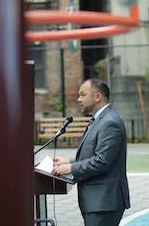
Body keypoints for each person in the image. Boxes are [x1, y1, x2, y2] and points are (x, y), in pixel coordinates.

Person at [53, 79, 130, 226]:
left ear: (97, 97)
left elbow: (102, 161)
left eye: (82, 95)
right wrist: (69, 162)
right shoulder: (99, 119)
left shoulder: (110, 122)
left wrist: (71, 168)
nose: (78, 99)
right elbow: (92, 156)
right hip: (97, 202)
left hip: (104, 202)